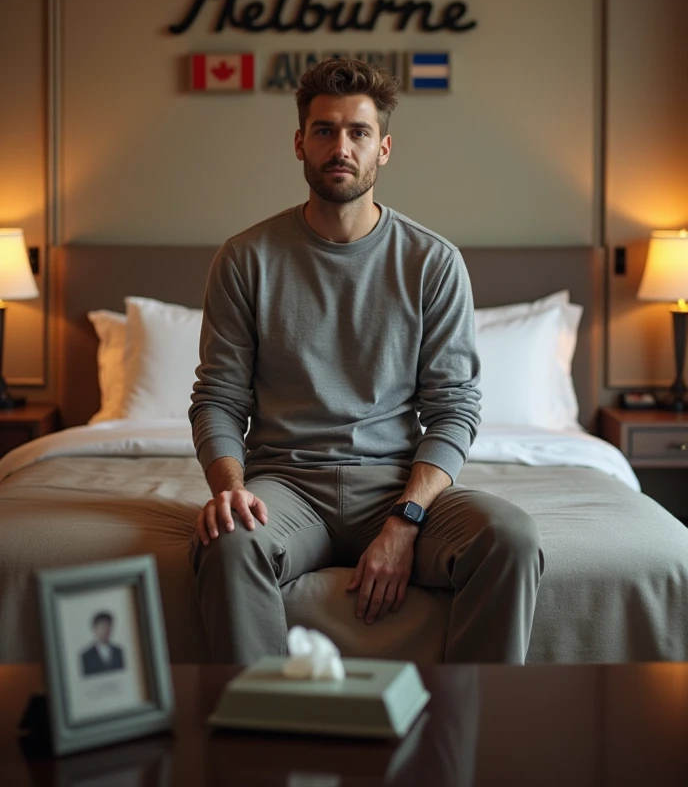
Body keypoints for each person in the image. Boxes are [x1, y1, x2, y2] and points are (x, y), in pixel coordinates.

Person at [189, 58, 543, 665]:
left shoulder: (432, 261)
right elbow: (219, 398)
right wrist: (230, 489)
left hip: (397, 485)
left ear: (384, 148)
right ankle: (261, 745)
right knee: (227, 544)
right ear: (300, 142)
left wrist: (405, 521)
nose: (340, 146)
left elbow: (454, 408)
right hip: (288, 488)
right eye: (324, 130)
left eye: (357, 132)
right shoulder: (246, 258)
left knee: (510, 539)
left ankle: (467, 740)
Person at [80, 611, 125, 676]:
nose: (105, 630)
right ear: (94, 629)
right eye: (102, 627)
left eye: (108, 626)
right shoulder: (86, 656)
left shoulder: (119, 651)